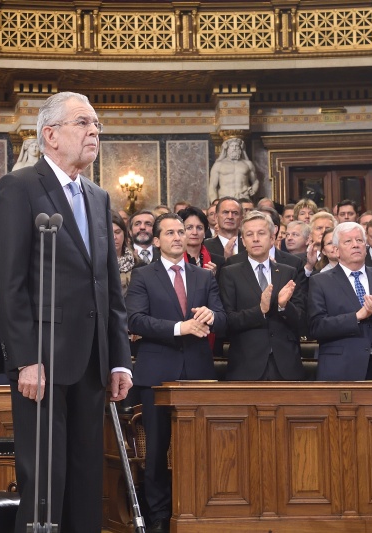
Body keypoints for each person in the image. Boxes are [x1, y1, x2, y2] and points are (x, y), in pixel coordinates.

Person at [0, 91, 132, 533]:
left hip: (91, 361)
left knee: (88, 479)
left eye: (97, 125)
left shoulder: (97, 196)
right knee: (46, 482)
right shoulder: (19, 187)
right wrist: (25, 358)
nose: (94, 132)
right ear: (50, 134)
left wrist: (120, 357)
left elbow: (106, 286)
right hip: (43, 362)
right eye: (83, 123)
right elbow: (8, 285)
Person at [125, 213, 226, 532]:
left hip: (197, 372)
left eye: (181, 231)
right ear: (156, 240)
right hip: (157, 374)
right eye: (169, 232)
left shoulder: (204, 277)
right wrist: (179, 327)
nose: (178, 237)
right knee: (156, 451)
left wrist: (212, 315)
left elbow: (222, 318)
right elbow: (135, 320)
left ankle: (198, 508)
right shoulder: (143, 275)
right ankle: (158, 517)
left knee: (199, 448)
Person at [308, 222, 372, 381]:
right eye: (348, 241)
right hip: (341, 367)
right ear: (336, 250)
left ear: (365, 246)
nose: (355, 245)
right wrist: (356, 316)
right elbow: (316, 327)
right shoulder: (320, 281)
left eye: (359, 240)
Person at [219, 210, 304, 381]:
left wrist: (283, 306)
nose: (256, 239)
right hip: (246, 364)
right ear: (243, 241)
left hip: (286, 365)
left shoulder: (289, 272)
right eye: (249, 234)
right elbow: (227, 321)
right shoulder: (230, 273)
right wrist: (260, 310)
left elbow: (302, 321)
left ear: (272, 238)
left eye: (261, 233)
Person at [208, 138, 257, 202]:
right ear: (227, 149)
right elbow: (212, 187)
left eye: (237, 146)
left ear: (240, 149)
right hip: (225, 198)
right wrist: (214, 202)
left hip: (244, 198)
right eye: (232, 146)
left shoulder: (248, 164)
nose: (234, 148)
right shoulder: (218, 165)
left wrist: (254, 190)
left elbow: (256, 181)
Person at [178, 206, 222, 276]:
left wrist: (212, 278)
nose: (195, 232)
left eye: (199, 228)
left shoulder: (218, 262)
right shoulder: (173, 260)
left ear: (204, 232)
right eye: (189, 228)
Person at [111, 210, 137, 297]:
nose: (114, 237)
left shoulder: (137, 264)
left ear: (125, 234)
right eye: (109, 233)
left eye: (117, 232)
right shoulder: (97, 265)